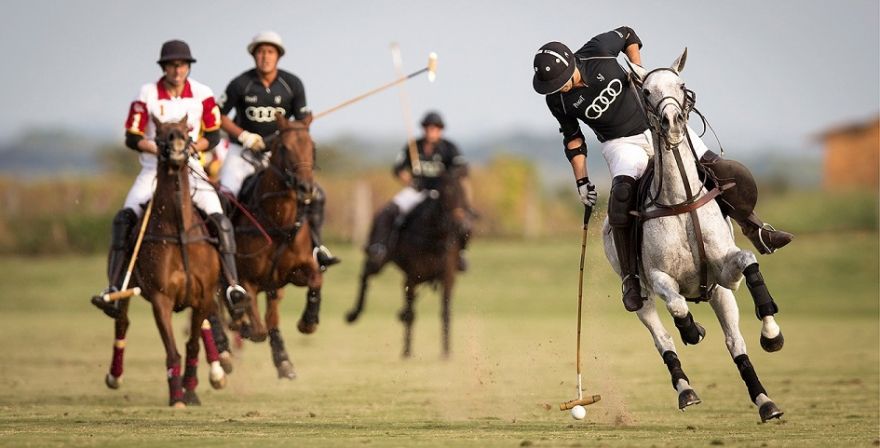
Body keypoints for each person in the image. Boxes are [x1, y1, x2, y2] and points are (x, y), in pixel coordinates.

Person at [532, 27, 793, 312]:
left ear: (572, 63)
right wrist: (581, 181)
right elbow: (573, 138)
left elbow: (628, 34)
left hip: (656, 122)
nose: (560, 87)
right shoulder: (557, 100)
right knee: (621, 197)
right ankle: (631, 278)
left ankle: (755, 229)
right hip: (621, 144)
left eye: (561, 81)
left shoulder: (596, 50)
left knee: (718, 168)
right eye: (552, 86)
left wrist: (641, 74)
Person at [92, 39, 249, 318]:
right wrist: (161, 149)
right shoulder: (148, 93)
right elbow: (133, 137)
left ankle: (232, 286)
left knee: (221, 220)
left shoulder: (202, 93)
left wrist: (190, 149)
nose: (178, 71)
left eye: (182, 65)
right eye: (172, 65)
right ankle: (116, 285)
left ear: (188, 67)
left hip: (192, 171)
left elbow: (212, 135)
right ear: (164, 67)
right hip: (154, 172)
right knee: (124, 218)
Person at [217, 30, 339, 270]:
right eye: (261, 51)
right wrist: (243, 135)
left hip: (277, 157)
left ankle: (316, 246)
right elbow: (218, 115)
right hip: (242, 154)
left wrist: (301, 125)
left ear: (278, 56)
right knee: (226, 196)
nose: (265, 56)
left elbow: (302, 123)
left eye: (270, 52)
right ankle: (224, 252)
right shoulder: (241, 83)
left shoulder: (292, 84)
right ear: (254, 55)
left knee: (314, 195)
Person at [368, 111, 473, 271]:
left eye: (435, 128)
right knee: (388, 211)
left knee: (463, 221)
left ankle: (460, 254)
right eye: (428, 127)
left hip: (440, 194)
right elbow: (398, 168)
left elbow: (463, 168)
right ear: (423, 129)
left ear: (441, 130)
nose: (431, 131)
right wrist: (409, 179)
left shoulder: (449, 148)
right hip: (417, 191)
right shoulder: (413, 147)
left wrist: (447, 177)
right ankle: (380, 247)